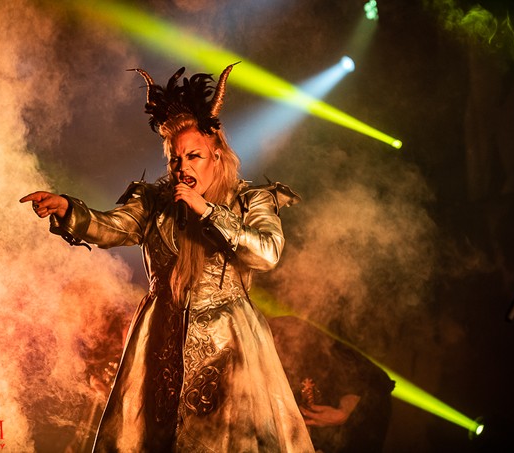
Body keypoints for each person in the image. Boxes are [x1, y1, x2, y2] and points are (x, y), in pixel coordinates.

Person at [20, 64, 315, 452]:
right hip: (160, 331)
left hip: (228, 340)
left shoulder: (249, 200)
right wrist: (67, 209)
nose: (183, 168)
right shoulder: (154, 201)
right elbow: (111, 227)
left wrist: (208, 212)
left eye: (194, 156)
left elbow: (267, 252)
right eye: (176, 159)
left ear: (217, 155)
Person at [269, 316, 395, 453]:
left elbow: (375, 381)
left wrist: (343, 411)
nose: (276, 341)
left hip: (363, 422)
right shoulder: (266, 366)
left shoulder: (318, 346)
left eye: (278, 338)